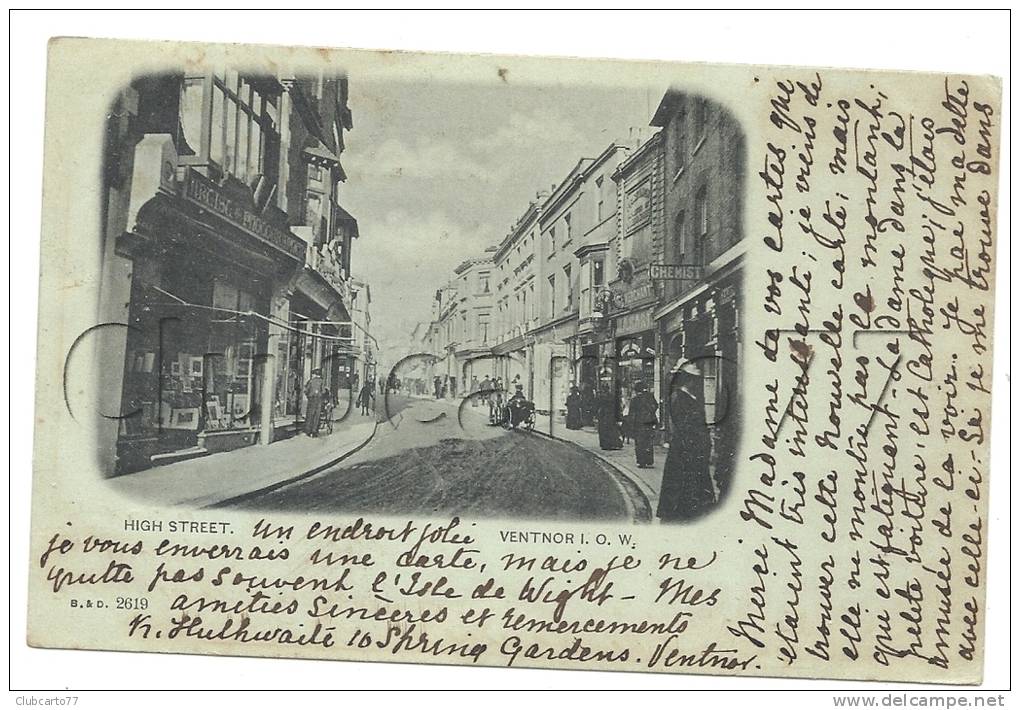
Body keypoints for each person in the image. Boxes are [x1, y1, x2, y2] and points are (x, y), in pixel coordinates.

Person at [657, 366, 714, 522]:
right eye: (694, 379)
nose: (696, 383)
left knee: (688, 479)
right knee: (682, 480)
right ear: (688, 379)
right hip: (685, 446)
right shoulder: (679, 397)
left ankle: (687, 508)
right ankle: (680, 511)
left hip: (689, 445)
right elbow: (683, 424)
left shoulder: (687, 395)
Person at [628, 381, 659, 468]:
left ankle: (641, 461)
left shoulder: (635, 399)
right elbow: (656, 406)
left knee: (640, 442)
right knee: (648, 442)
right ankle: (649, 460)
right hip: (649, 422)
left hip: (639, 423)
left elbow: (631, 413)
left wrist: (631, 424)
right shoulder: (650, 396)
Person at [596, 384, 623, 450]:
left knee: (604, 430)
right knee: (610, 430)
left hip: (604, 415)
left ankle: (605, 445)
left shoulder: (601, 396)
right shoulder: (611, 396)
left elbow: (597, 405)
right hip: (610, 414)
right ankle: (611, 444)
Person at [303, 368, 324, 437]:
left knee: (310, 415)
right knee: (317, 415)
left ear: (314, 374)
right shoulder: (322, 382)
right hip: (319, 400)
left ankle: (308, 431)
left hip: (311, 400)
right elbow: (323, 391)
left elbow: (306, 390)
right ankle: (314, 431)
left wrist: (308, 396)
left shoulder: (311, 381)